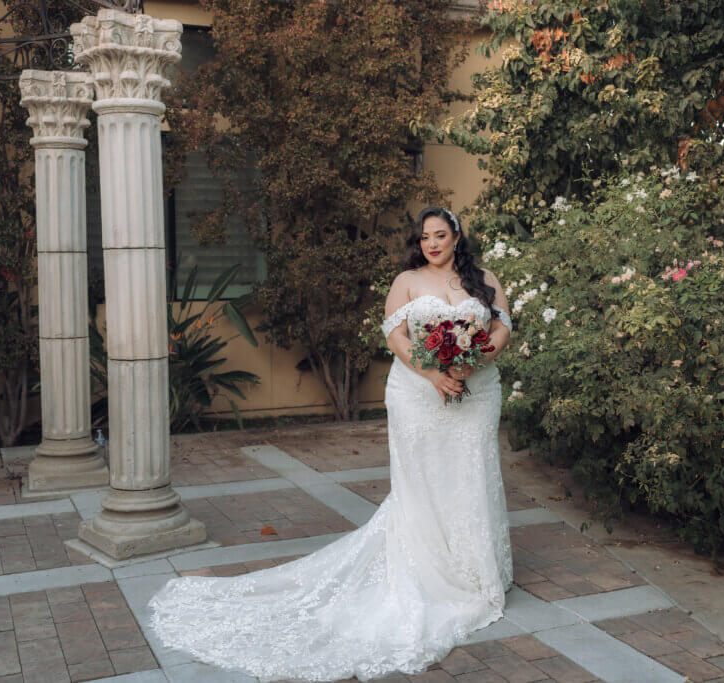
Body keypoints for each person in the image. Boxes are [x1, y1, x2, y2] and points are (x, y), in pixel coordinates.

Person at [148, 206, 514, 682]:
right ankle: (431, 568)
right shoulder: (407, 281)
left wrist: (473, 360)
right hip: (418, 394)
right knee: (424, 480)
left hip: (477, 392)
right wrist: (433, 374)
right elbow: (395, 335)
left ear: (457, 236)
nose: (432, 244)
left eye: (440, 235)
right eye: (425, 237)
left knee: (471, 471)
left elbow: (502, 327)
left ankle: (474, 568)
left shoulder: (484, 280)